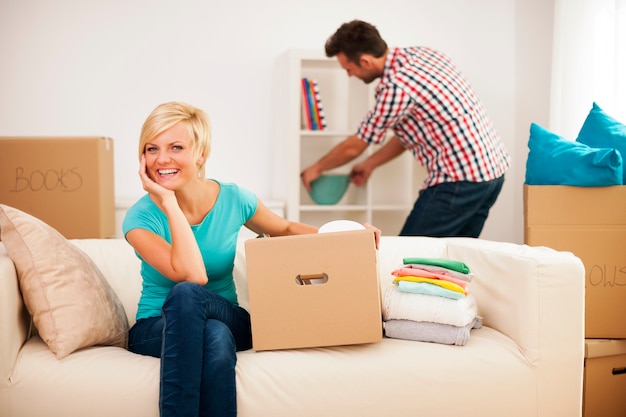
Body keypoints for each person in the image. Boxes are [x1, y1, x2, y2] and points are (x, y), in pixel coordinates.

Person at [122, 101, 379, 417]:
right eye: (152, 149)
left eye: (176, 147)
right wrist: (169, 203)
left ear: (200, 154)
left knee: (198, 305)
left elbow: (283, 228)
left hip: (228, 314)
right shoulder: (140, 219)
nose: (162, 159)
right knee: (209, 328)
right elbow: (192, 275)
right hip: (156, 325)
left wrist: (350, 237)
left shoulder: (233, 198)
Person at [300, 20, 511, 238]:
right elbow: (412, 133)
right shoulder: (424, 55)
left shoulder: (396, 86)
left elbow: (356, 145)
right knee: (454, 257)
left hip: (460, 180)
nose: (349, 75)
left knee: (408, 255)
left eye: (349, 69)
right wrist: (370, 164)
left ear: (364, 61)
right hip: (491, 174)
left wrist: (316, 168)